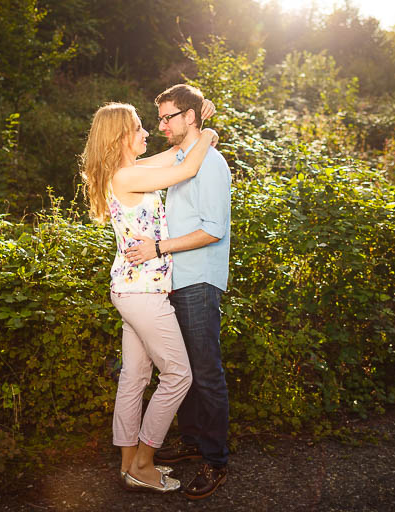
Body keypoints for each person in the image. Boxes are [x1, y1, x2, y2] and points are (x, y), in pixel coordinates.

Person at [79, 100, 217, 494]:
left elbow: (177, 154)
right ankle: (143, 461)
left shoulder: (131, 171)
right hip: (142, 293)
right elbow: (186, 169)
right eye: (139, 128)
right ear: (121, 137)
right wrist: (207, 134)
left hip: (133, 289)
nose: (146, 133)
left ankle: (129, 467)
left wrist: (199, 120)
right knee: (179, 375)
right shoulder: (127, 176)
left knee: (135, 378)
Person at [125, 84, 232, 501]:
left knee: (205, 374)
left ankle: (215, 460)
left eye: (169, 117)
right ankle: (191, 441)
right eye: (160, 118)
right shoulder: (186, 160)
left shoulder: (211, 164)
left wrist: (158, 248)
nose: (161, 125)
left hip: (199, 281)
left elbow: (213, 229)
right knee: (180, 370)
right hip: (174, 280)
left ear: (190, 117)